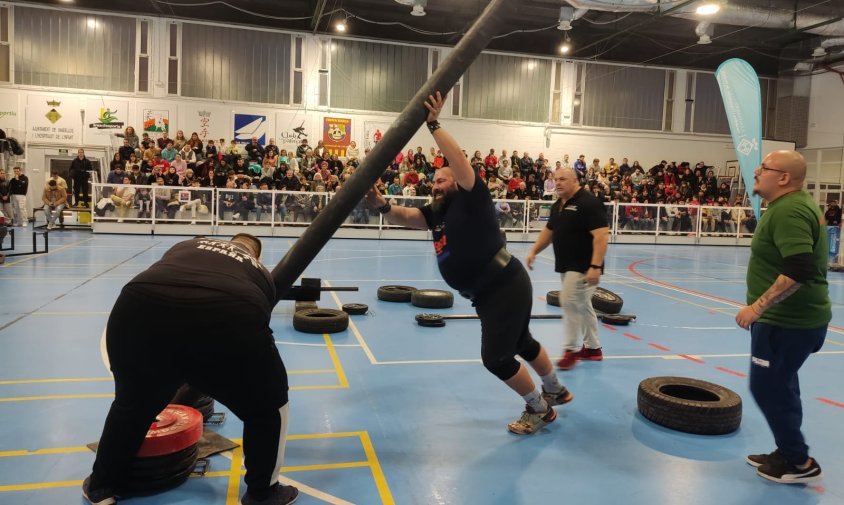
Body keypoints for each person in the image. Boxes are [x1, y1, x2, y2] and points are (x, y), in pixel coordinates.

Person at [364, 92, 572, 435]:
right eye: (433, 182)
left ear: (457, 182)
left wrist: (433, 125)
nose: (435, 185)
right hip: (490, 291)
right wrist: (382, 205)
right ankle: (555, 388)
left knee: (496, 360)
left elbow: (457, 158)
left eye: (441, 180)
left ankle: (539, 407)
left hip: (502, 284)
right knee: (521, 343)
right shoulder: (437, 213)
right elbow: (409, 217)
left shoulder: (472, 198)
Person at [82, 234, 297, 505]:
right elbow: (242, 328)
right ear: (256, 255)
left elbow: (177, 302)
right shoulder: (260, 271)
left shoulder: (189, 243)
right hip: (230, 307)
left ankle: (101, 486)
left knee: (131, 404)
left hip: (138, 303)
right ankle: (263, 493)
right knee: (268, 408)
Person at [735, 151, 829, 485]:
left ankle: (799, 461)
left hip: (786, 321)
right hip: (787, 321)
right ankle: (787, 451)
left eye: (765, 168)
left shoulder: (789, 210)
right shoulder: (789, 206)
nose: (757, 171)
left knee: (767, 388)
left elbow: (799, 268)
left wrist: (757, 308)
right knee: (782, 385)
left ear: (784, 178)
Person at [526, 167, 609, 370]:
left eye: (563, 179)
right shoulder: (559, 205)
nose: (558, 183)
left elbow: (601, 236)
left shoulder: (589, 203)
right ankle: (593, 349)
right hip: (566, 265)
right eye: (555, 179)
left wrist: (596, 266)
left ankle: (570, 350)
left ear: (575, 181)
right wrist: (534, 251)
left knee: (569, 301)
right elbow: (549, 231)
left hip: (584, 266)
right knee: (583, 305)